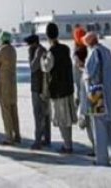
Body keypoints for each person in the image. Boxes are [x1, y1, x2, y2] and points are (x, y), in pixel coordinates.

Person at [83, 32, 111, 166]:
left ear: (89, 42)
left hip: (96, 93)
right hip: (108, 91)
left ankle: (102, 159)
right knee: (110, 125)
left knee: (99, 127)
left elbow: (90, 73)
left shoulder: (94, 53)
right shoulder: (107, 51)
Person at [43, 23, 77, 153]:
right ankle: (69, 143)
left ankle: (67, 145)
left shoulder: (51, 52)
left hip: (58, 90)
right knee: (67, 119)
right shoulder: (66, 48)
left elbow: (46, 67)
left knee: (62, 119)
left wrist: (43, 58)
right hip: (68, 87)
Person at [0, 31, 21, 145]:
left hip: (4, 85)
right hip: (13, 83)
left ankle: (9, 137)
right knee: (14, 111)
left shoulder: (3, 50)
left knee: (6, 111)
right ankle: (17, 135)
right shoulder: (13, 50)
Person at [25, 33, 51, 150]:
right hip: (42, 86)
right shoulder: (41, 50)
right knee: (45, 114)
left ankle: (38, 141)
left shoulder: (38, 51)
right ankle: (46, 138)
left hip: (38, 87)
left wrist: (33, 54)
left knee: (39, 114)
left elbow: (33, 67)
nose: (28, 47)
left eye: (29, 44)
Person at [73, 26, 95, 155]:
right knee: (96, 121)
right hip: (95, 91)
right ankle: (99, 147)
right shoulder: (91, 50)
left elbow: (78, 79)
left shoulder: (77, 55)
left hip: (85, 93)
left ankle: (96, 147)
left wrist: (77, 97)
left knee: (88, 122)